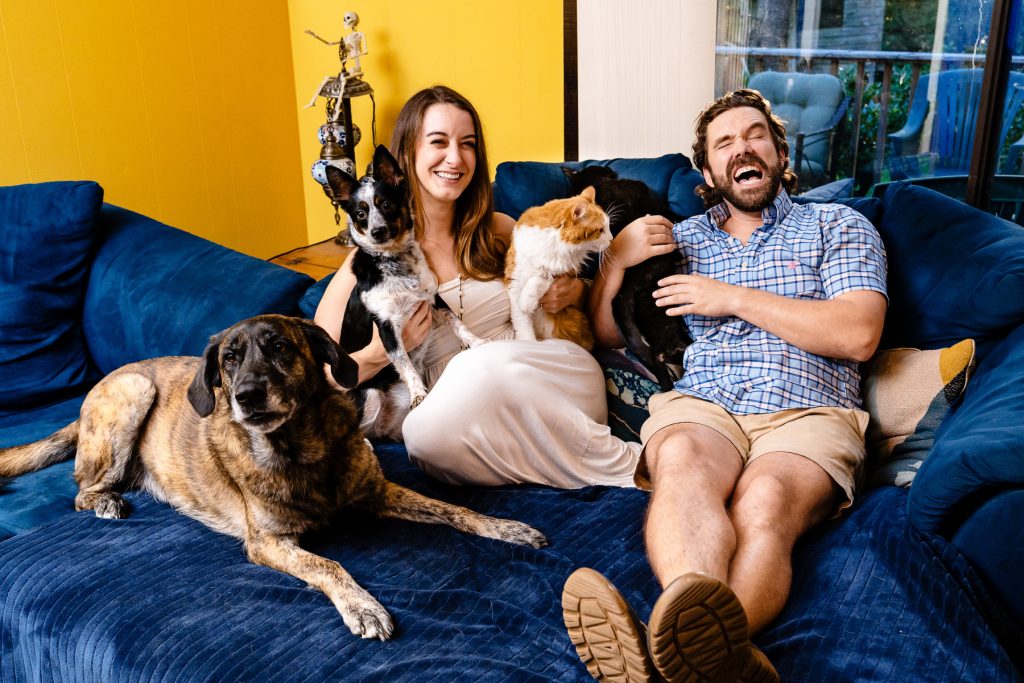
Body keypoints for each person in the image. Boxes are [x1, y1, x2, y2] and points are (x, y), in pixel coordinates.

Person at [562, 89, 888, 682]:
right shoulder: (681, 240)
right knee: (681, 462)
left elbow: (858, 333)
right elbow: (608, 335)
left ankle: (667, 656)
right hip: (706, 405)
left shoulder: (838, 225)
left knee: (763, 501)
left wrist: (731, 298)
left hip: (808, 412)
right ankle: (713, 655)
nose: (744, 148)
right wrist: (613, 263)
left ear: (778, 150)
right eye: (725, 142)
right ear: (708, 170)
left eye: (755, 135)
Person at [314, 85, 640, 489]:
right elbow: (318, 376)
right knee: (423, 437)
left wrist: (575, 291)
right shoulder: (366, 264)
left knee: (478, 363)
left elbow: (587, 305)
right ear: (404, 159)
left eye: (467, 144)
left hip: (549, 377)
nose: (455, 158)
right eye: (439, 142)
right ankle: (568, 465)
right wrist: (378, 356)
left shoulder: (502, 229)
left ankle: (629, 466)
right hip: (469, 415)